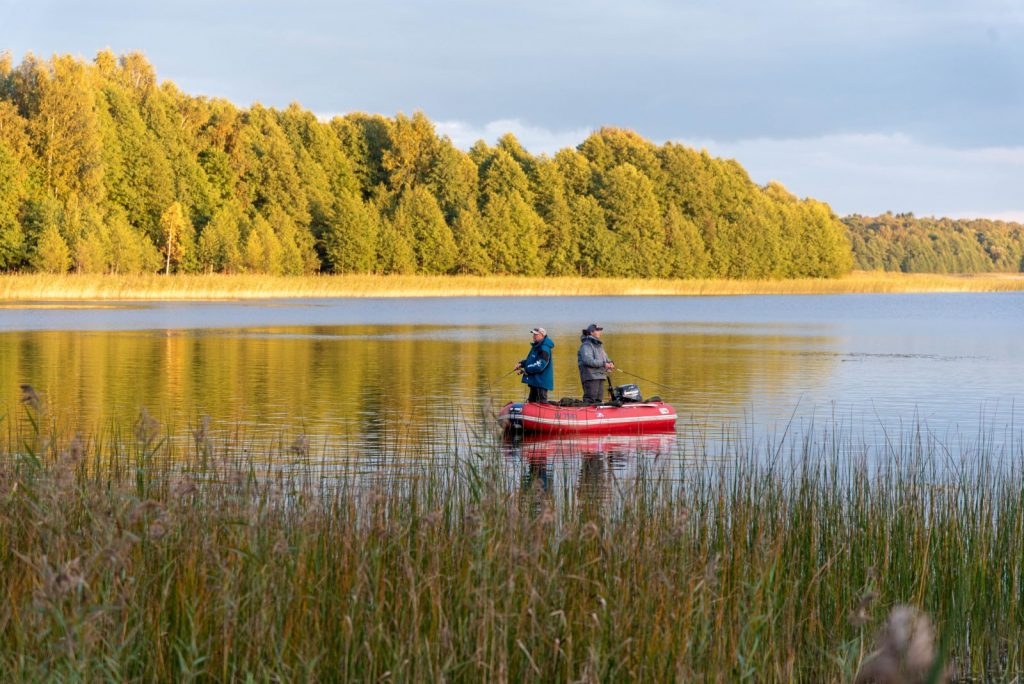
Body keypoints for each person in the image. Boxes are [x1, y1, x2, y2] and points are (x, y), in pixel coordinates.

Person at [515, 327, 555, 403]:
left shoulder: (544, 348)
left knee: (541, 403)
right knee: (532, 402)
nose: (534, 336)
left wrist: (527, 369)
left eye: (536, 334)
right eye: (533, 334)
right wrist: (521, 364)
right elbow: (532, 361)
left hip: (541, 382)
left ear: (542, 335)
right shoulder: (536, 346)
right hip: (535, 381)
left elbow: (541, 364)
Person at [577, 323, 614, 403]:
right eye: (597, 330)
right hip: (590, 376)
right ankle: (585, 414)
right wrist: (604, 364)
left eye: (600, 330)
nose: (600, 332)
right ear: (591, 332)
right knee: (590, 400)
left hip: (600, 376)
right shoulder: (586, 345)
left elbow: (606, 358)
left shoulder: (599, 346)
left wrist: (610, 363)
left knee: (598, 400)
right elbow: (588, 360)